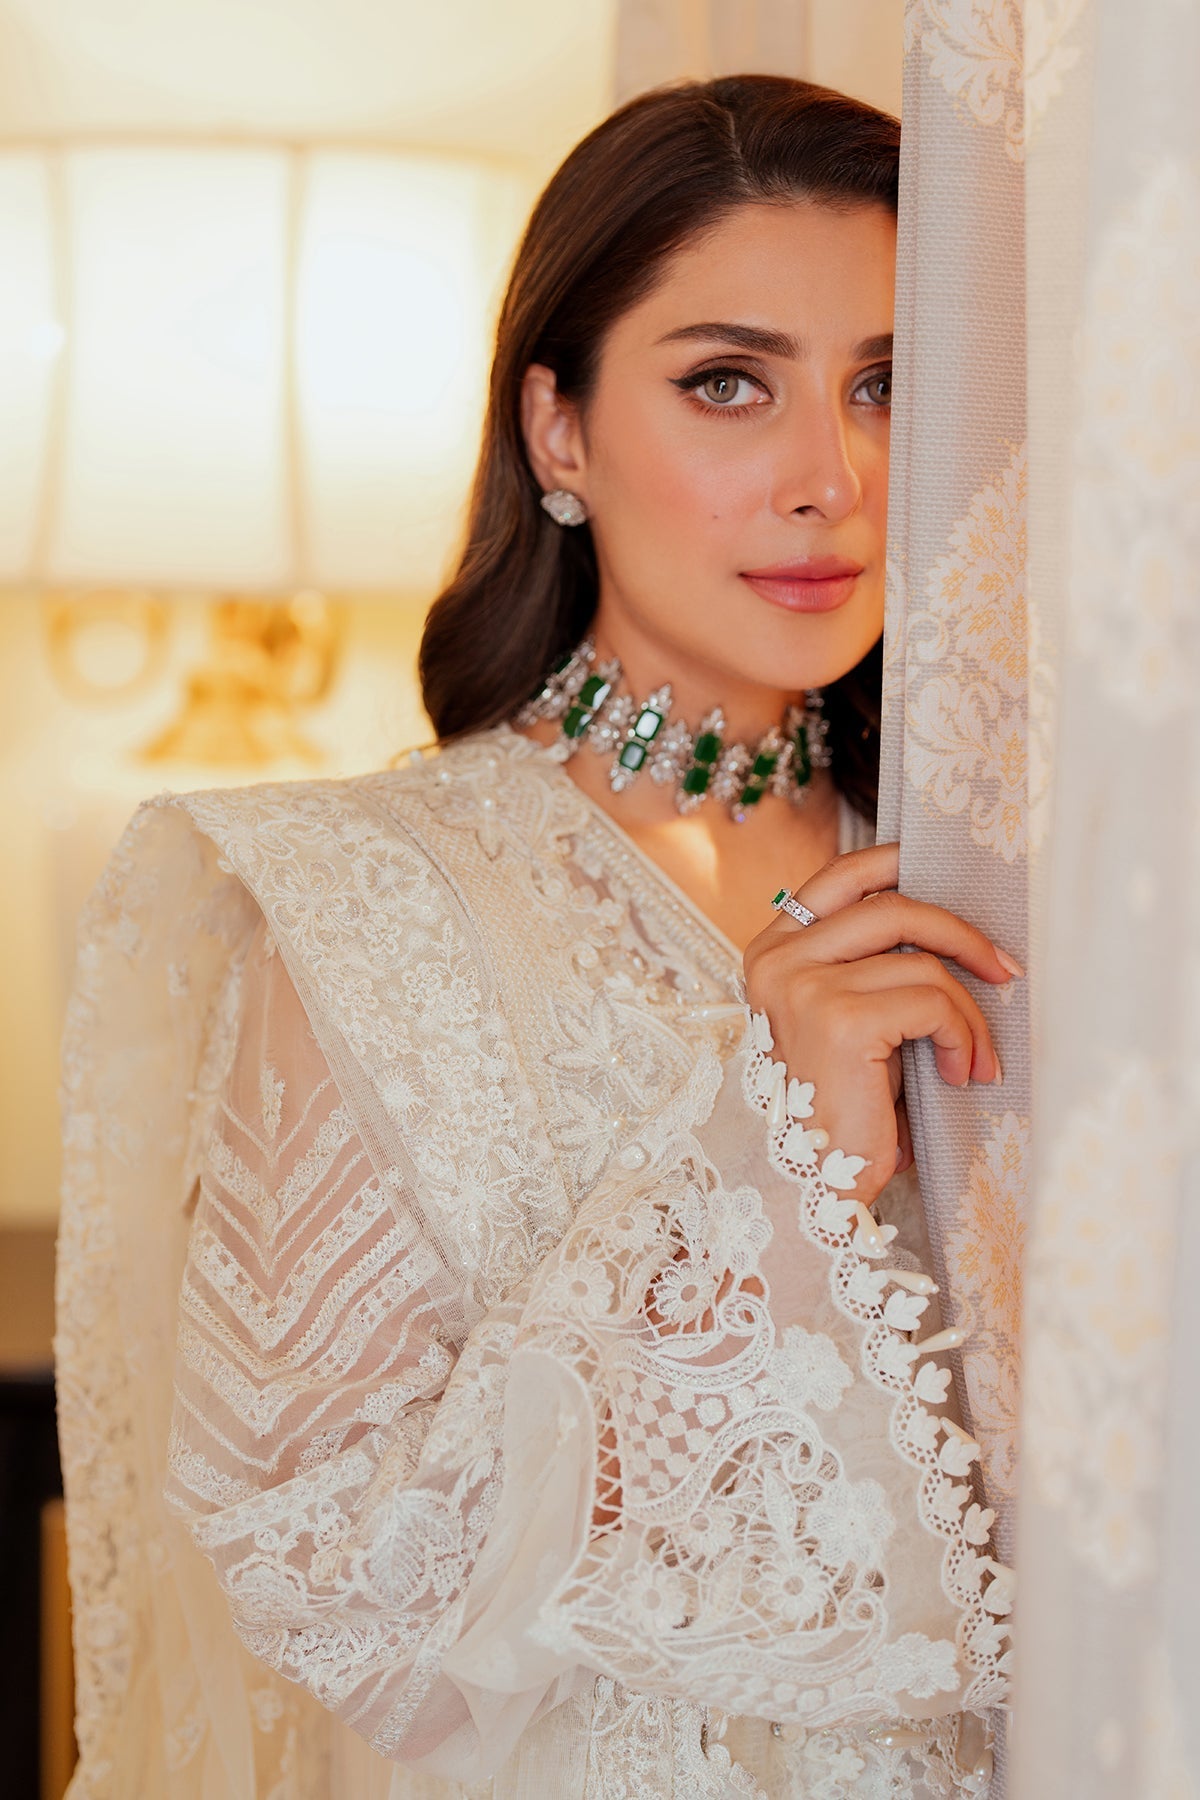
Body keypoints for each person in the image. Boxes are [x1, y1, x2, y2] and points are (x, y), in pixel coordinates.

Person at [56, 76, 1018, 1800]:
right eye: (728, 383)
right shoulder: (368, 904)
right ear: (557, 431)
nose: (832, 476)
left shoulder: (997, 871)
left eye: (886, 383)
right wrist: (775, 1149)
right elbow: (328, 1579)